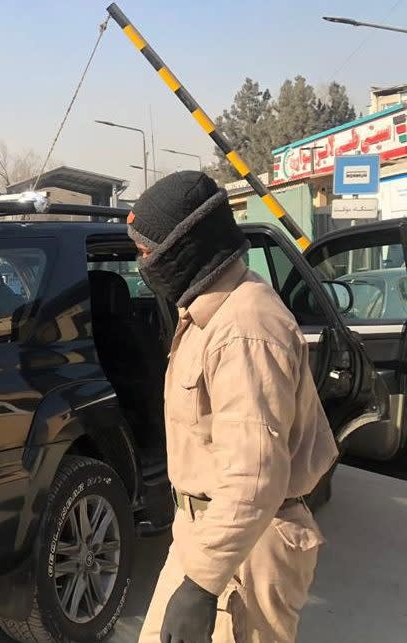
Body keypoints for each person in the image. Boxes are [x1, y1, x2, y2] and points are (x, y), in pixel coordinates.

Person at [129, 172, 338, 643]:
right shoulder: (209, 315)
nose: (143, 262)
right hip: (207, 536)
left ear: (185, 248)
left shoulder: (246, 328)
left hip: (247, 550)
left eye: (148, 250)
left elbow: (254, 479)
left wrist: (202, 587)